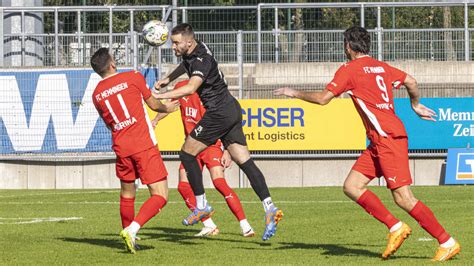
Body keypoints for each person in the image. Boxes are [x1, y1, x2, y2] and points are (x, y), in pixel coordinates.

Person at [274, 26, 460, 262]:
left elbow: (323, 99)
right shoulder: (382, 67)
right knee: (352, 186)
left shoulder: (349, 69)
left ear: (348, 46)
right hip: (380, 140)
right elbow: (411, 81)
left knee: (403, 198)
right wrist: (415, 104)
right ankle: (395, 227)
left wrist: (294, 92)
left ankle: (447, 242)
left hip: (387, 139)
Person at [153, 23, 283, 241]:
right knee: (245, 161)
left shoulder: (201, 60)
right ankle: (269, 207)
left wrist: (162, 94)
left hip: (219, 112)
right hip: (231, 108)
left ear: (188, 42)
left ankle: (202, 206)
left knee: (186, 154)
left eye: (176, 43)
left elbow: (191, 87)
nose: (173, 47)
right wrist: (169, 77)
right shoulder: (194, 49)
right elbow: (186, 65)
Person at [91, 48, 178, 254]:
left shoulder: (96, 95)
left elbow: (109, 123)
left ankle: (127, 234)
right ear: (112, 64)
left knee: (127, 194)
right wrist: (168, 108)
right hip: (144, 145)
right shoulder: (133, 77)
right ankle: (132, 229)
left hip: (121, 147)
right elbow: (154, 104)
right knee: (161, 195)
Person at [152, 79, 255, 237]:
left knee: (219, 182)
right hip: (191, 147)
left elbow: (229, 119)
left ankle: (245, 225)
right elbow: (170, 107)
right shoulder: (181, 88)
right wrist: (156, 120)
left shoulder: (212, 89)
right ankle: (209, 225)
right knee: (183, 186)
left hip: (211, 144)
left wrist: (227, 150)